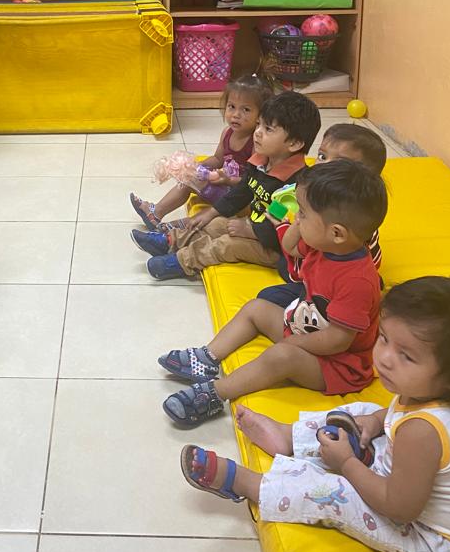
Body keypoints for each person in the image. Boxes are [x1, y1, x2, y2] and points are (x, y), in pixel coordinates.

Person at [178, 276, 450, 552]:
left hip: (424, 532)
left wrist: (347, 463)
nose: (386, 359)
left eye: (407, 356)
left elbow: (398, 508)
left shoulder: (422, 432)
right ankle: (288, 437)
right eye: (384, 338)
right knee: (364, 412)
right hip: (402, 476)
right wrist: (375, 422)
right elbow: (393, 416)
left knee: (336, 494)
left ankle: (249, 484)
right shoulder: (423, 391)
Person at [159, 159, 387, 425]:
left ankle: (215, 394)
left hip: (338, 364)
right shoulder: (324, 245)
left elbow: (338, 341)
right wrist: (297, 223)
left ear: (337, 233)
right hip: (304, 329)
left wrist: (295, 343)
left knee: (281, 356)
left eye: (303, 214)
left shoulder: (357, 281)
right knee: (256, 308)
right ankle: (207, 358)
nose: (297, 216)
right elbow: (290, 247)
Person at [133, 92, 320, 280]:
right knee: (214, 224)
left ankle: (181, 262)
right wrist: (212, 212)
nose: (257, 132)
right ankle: (169, 241)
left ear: (295, 143)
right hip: (255, 226)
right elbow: (242, 191)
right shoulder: (262, 161)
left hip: (276, 249)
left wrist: (250, 231)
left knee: (227, 245)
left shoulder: (292, 186)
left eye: (268, 129)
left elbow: (280, 225)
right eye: (259, 124)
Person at [259, 121, 387, 309]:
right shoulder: (335, 206)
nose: (323, 165)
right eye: (322, 156)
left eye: (339, 162)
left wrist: (285, 225)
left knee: (271, 290)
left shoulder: (333, 225)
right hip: (326, 267)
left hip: (324, 282)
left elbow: (291, 248)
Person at [129, 75, 271, 232]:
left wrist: (228, 180)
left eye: (246, 110)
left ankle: (173, 228)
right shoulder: (227, 133)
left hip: (239, 199)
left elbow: (253, 183)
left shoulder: (256, 143)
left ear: (261, 116)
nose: (236, 114)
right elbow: (218, 158)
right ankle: (156, 213)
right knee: (190, 176)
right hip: (224, 186)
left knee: (201, 193)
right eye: (231, 106)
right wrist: (195, 165)